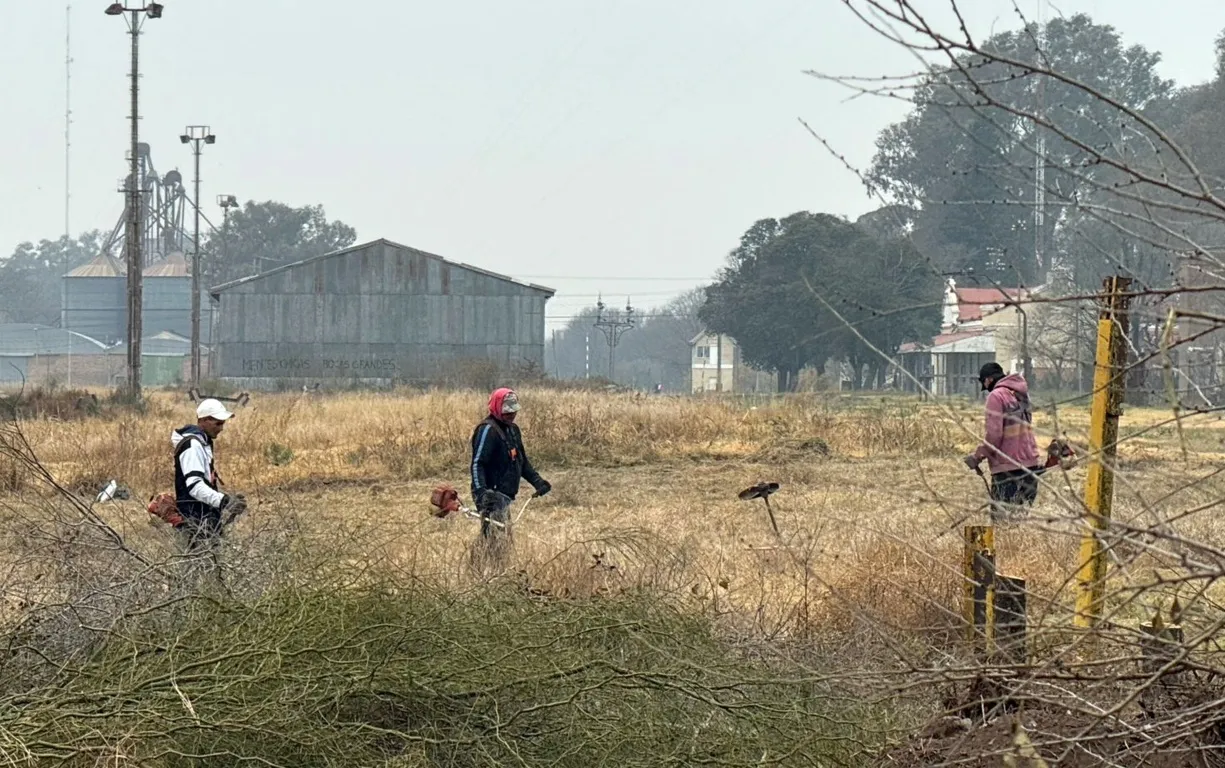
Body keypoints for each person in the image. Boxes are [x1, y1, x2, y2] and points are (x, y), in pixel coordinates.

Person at [470, 387, 551, 539]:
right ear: (496, 408)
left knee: (500, 537)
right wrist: (482, 493)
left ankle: (484, 561)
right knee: (497, 540)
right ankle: (483, 562)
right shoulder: (488, 430)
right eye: (507, 411)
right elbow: (477, 464)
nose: (511, 415)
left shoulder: (513, 430)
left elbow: (521, 461)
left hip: (505, 495)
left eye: (513, 411)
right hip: (490, 494)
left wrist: (538, 482)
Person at [963, 362, 1041, 512]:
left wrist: (978, 456)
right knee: (1021, 520)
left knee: (1002, 522)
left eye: (985, 384)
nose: (986, 389)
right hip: (1030, 466)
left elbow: (994, 435)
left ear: (989, 379)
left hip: (1007, 469)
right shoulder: (1021, 394)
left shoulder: (996, 396)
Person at [172, 398, 246, 554]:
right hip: (193, 524)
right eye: (218, 423)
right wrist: (224, 501)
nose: (221, 428)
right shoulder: (193, 446)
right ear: (203, 420)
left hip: (203, 521)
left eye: (223, 423)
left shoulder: (201, 443)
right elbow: (194, 486)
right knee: (196, 572)